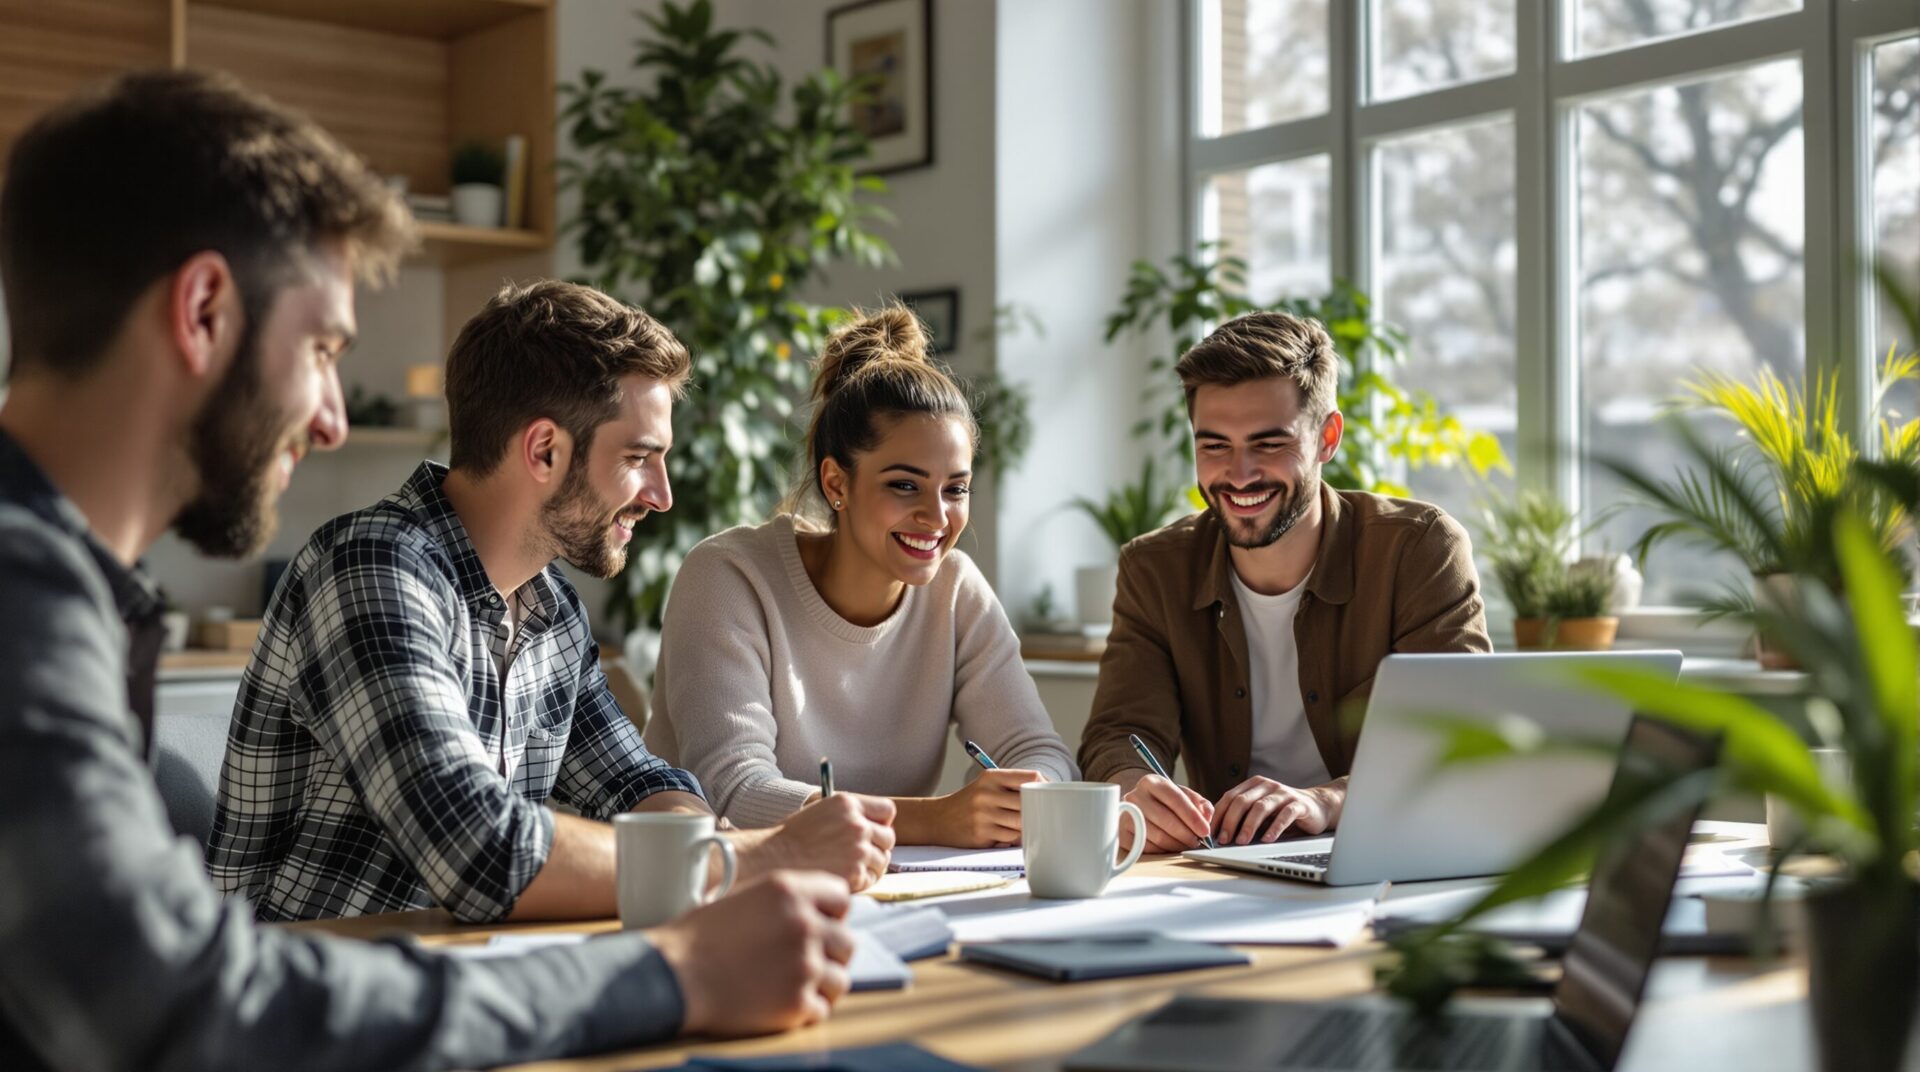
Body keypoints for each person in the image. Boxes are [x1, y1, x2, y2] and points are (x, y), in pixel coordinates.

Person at [0, 69, 855, 1071]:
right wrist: (677, 965)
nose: (332, 418)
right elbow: (182, 1000)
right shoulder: (29, 595)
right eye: (322, 346)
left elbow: (632, 779)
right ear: (203, 311)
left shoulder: (67, 590)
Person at [205, 280, 896, 924]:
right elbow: (472, 849)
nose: (662, 495)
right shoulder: (372, 569)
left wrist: (696, 843)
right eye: (638, 458)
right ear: (544, 450)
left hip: (464, 980)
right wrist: (760, 856)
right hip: (294, 1001)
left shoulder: (550, 609)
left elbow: (636, 782)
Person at [646, 307, 1077, 846]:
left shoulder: (956, 591)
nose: (938, 518)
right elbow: (733, 789)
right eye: (904, 485)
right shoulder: (728, 578)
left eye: (956, 489)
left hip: (879, 892)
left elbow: (1042, 752)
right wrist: (934, 819)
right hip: (713, 894)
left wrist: (1028, 792)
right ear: (836, 483)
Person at [1078, 311, 1491, 854]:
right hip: (1230, 868)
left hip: (1392, 852)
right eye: (1215, 445)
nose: (1240, 473)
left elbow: (1458, 740)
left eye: (1269, 444)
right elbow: (1118, 734)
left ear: (1328, 437)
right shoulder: (1155, 568)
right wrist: (1134, 786)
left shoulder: (1418, 549)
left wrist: (1327, 801)